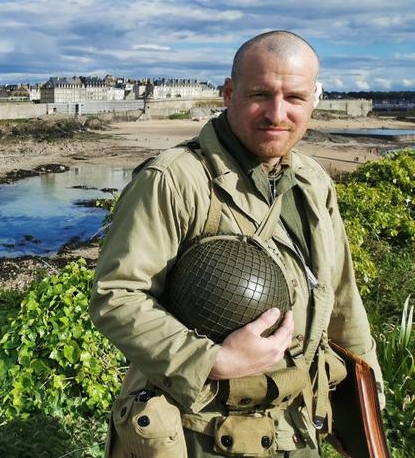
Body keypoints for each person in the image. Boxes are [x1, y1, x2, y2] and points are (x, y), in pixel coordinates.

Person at [89, 30, 383, 457]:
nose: (276, 113)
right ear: (229, 94)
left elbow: (340, 297)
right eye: (260, 94)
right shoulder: (174, 180)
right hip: (201, 432)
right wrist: (211, 361)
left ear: (314, 101)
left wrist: (368, 395)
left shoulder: (313, 182)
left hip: (297, 427)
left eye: (295, 98)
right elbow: (116, 296)